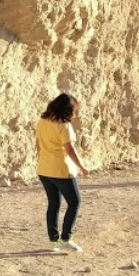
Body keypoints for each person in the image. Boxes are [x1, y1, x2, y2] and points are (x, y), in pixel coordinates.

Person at [35, 93, 90, 253]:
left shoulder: (42, 122)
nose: (75, 114)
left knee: (54, 204)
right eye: (74, 110)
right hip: (61, 170)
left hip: (44, 170)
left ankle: (53, 240)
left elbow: (38, 145)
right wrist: (82, 167)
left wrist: (42, 162)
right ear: (67, 110)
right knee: (74, 202)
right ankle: (65, 239)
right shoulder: (64, 126)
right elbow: (70, 150)